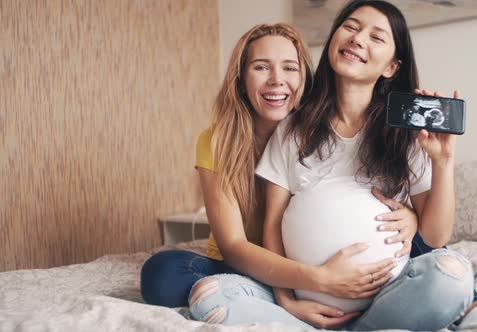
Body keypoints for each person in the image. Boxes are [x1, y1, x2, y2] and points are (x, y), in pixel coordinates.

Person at [189, 1, 477, 330]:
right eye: (350, 27)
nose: (357, 39)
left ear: (392, 66)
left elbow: (435, 237)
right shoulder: (294, 127)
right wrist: (289, 296)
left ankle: (445, 313)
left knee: (451, 275)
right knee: (209, 295)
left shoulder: (404, 134)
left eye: (376, 36)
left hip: (385, 293)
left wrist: (443, 163)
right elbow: (273, 222)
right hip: (308, 295)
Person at [140, 22, 419, 328]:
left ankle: (473, 302)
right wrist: (307, 287)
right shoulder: (217, 141)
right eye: (261, 67)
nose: (277, 81)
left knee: (428, 248)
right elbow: (233, 245)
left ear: (304, 78)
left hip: (311, 256)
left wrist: (411, 216)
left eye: (289, 68)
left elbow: (365, 195)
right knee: (162, 273)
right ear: (240, 78)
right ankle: (279, 309)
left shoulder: (327, 131)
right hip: (245, 265)